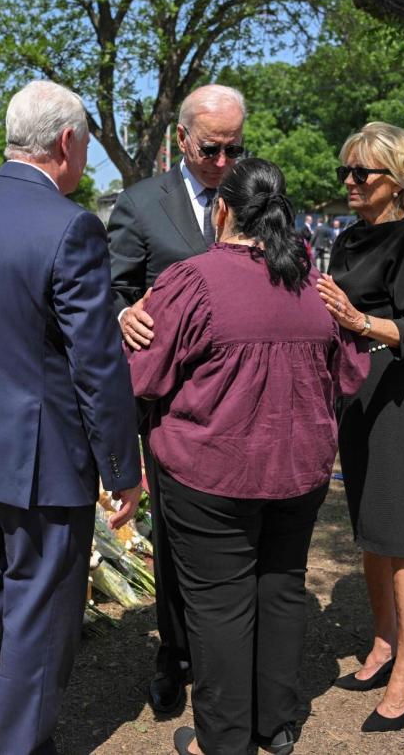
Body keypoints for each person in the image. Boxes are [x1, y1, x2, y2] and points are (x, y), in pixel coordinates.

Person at [0, 80, 143, 754]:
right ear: (66, 142)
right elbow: (97, 362)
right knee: (40, 618)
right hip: (44, 459)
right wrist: (121, 466)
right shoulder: (70, 225)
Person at [129, 158, 368, 755]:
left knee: (219, 604)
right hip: (298, 468)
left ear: (223, 209)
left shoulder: (192, 280)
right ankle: (276, 725)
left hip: (212, 471)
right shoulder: (313, 283)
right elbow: (351, 369)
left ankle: (226, 738)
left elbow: (145, 375)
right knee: (281, 588)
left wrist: (132, 320)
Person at [106, 83, 246, 714]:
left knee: (239, 531)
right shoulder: (140, 205)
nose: (222, 163)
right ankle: (175, 650)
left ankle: (234, 654)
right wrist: (121, 313)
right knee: (173, 532)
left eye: (234, 150)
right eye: (212, 149)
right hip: (173, 403)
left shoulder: (254, 195)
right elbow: (110, 289)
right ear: (182, 139)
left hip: (245, 398)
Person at [315, 122, 404, 733]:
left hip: (401, 401)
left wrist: (358, 319)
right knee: (371, 529)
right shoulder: (345, 240)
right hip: (357, 399)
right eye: (345, 171)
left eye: (360, 173)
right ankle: (383, 643)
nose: (349, 181)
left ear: (394, 181)